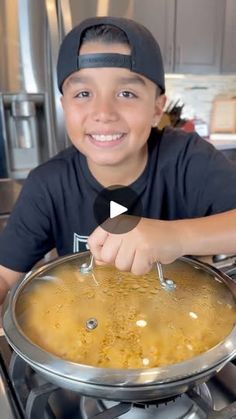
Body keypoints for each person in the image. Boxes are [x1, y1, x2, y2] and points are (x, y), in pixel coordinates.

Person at [0, 16, 236, 305]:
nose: (103, 112)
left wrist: (175, 236)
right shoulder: (47, 185)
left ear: (156, 108)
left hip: (182, 331)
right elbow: (4, 275)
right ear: (64, 107)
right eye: (83, 93)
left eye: (127, 93)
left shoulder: (189, 160)